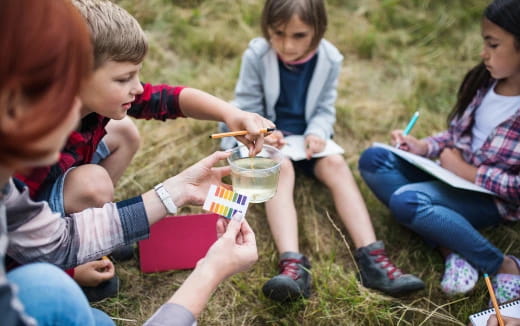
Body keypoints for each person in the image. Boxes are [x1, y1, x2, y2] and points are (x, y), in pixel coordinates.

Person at [1, 1, 257, 324]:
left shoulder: (11, 188)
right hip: (35, 242)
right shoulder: (24, 174)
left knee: (123, 130)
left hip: (42, 227)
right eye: (124, 79)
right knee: (92, 185)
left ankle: (102, 238)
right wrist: (210, 271)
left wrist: (226, 117)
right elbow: (29, 247)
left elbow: (52, 241)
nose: (137, 88)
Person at [219, 0, 424, 302]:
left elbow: (325, 108)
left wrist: (317, 132)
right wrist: (264, 131)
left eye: (299, 36)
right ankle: (293, 266)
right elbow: (246, 104)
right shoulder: (257, 55)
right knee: (282, 169)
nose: (287, 45)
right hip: (266, 140)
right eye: (278, 33)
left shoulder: (330, 58)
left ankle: (374, 261)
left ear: (318, 30)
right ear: (267, 28)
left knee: (337, 165)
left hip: (307, 140)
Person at [358, 0, 520, 303]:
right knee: (374, 159)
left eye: (493, 44)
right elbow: (458, 135)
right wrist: (424, 147)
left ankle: (504, 267)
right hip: (451, 174)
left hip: (490, 199)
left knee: (406, 200)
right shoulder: (486, 82)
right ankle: (453, 249)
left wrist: (467, 172)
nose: (483, 53)